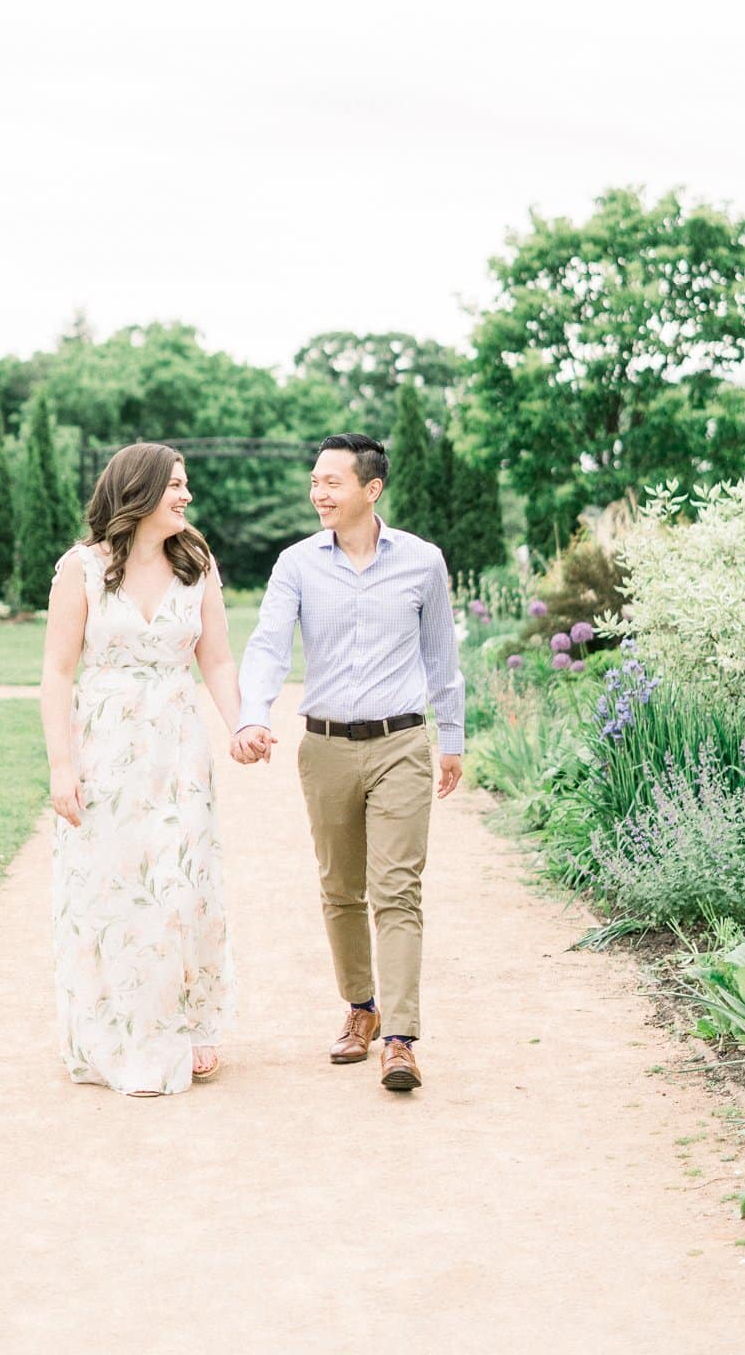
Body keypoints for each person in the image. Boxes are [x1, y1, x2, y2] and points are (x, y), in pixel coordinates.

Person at [231, 432, 464, 1094]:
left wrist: (452, 739)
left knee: (397, 891)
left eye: (331, 482)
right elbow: (269, 645)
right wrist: (254, 714)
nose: (317, 493)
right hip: (325, 746)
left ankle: (401, 1039)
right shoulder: (296, 565)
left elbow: (441, 659)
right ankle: (361, 1008)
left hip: (400, 745)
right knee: (340, 889)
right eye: (314, 481)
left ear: (371, 489)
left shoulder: (422, 563)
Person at [41, 442, 239, 1096]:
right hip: (107, 752)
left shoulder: (196, 562)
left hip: (177, 754)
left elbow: (215, 659)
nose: (186, 496)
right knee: (112, 888)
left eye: (186, 485)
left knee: (180, 888)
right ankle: (114, 1030)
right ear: (139, 491)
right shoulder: (82, 569)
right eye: (175, 485)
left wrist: (240, 724)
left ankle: (188, 1024)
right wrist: (62, 766)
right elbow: (57, 672)